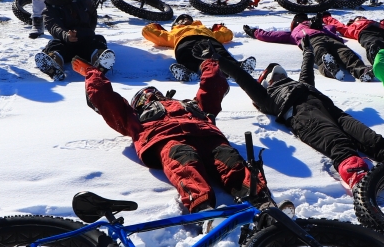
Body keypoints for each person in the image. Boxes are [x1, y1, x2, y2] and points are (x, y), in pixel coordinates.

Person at [74, 55, 263, 213]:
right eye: (146, 96)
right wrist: (92, 74)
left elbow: (212, 89)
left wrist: (209, 62)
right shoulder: (133, 117)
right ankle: (202, 207)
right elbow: (105, 99)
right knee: (184, 163)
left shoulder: (189, 105)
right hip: (168, 139)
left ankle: (261, 202)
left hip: (208, 137)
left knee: (231, 161)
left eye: (154, 93)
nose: (152, 97)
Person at [217, 46, 384, 192]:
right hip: (302, 115)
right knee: (337, 143)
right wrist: (218, 59)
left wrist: (308, 51)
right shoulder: (266, 97)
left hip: (331, 110)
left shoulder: (301, 84)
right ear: (265, 82)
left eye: (281, 71)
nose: (279, 72)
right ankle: (358, 176)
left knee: (368, 137)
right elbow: (242, 77)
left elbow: (306, 70)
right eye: (272, 73)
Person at [34, 0, 114, 81]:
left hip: (86, 42)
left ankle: (100, 63)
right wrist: (67, 35)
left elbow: (92, 17)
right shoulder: (49, 11)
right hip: (66, 44)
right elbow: (54, 27)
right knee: (54, 45)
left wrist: (86, 33)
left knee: (98, 40)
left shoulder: (82, 0)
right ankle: (54, 64)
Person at [243, 14, 373, 81]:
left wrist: (320, 26)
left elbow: (331, 28)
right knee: (320, 54)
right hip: (311, 40)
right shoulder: (293, 33)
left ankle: (362, 72)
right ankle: (330, 70)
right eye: (300, 20)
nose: (303, 21)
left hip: (331, 39)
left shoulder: (316, 25)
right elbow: (271, 35)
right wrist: (254, 32)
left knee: (347, 53)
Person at [141, 14, 253, 82]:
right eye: (181, 20)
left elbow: (227, 35)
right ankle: (190, 72)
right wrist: (155, 26)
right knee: (186, 54)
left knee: (220, 52)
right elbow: (149, 32)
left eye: (188, 18)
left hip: (208, 39)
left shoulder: (204, 29)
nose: (185, 20)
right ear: (176, 24)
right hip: (185, 41)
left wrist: (218, 27)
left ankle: (236, 70)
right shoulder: (174, 32)